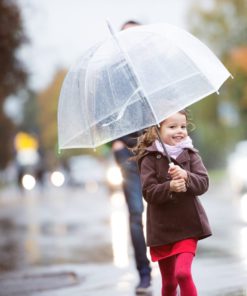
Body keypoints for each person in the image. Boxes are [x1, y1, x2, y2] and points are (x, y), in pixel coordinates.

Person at [133, 110, 212, 296]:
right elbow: (148, 192)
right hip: (162, 230)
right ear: (157, 130)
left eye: (183, 126)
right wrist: (169, 187)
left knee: (183, 273)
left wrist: (186, 176)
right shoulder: (149, 158)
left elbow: (203, 183)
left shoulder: (190, 154)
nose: (179, 131)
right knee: (169, 284)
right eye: (172, 127)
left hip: (188, 226)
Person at [111, 20, 152, 295]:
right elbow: (101, 114)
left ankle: (173, 265)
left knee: (167, 210)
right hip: (126, 152)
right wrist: (113, 142)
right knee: (136, 214)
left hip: (155, 148)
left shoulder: (154, 70)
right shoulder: (111, 77)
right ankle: (144, 274)